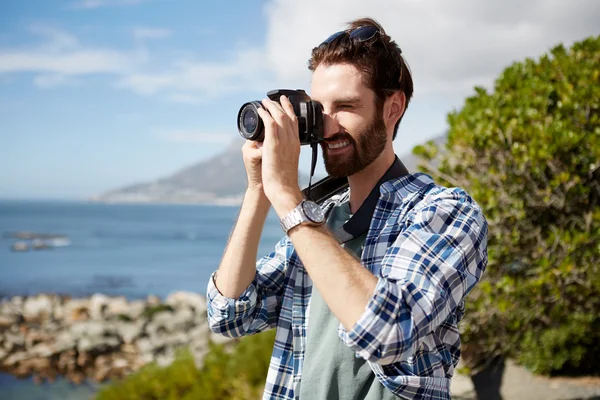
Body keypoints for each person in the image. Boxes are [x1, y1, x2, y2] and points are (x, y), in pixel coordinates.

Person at [206, 17, 488, 400]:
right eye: (319, 109)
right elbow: (229, 316)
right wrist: (259, 189)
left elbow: (388, 331)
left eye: (345, 106)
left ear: (393, 108)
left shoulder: (444, 213)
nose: (327, 126)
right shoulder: (319, 222)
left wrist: (289, 197)